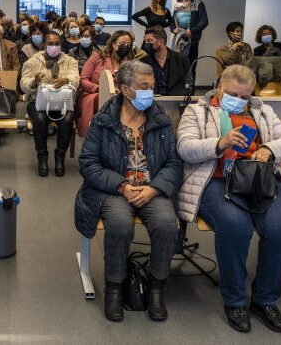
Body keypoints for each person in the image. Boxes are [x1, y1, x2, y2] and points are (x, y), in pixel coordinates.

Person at [176, 64, 281, 333]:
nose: (240, 101)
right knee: (235, 227)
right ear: (219, 87)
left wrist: (268, 149)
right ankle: (235, 301)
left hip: (258, 181)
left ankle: (265, 300)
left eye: (245, 96)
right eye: (233, 94)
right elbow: (185, 147)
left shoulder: (262, 111)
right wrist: (219, 143)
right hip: (216, 180)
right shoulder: (197, 111)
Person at [76, 60, 182, 322]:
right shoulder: (103, 121)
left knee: (167, 224)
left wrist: (155, 188)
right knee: (120, 225)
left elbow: (173, 163)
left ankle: (157, 288)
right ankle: (114, 287)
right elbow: (88, 163)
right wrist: (121, 186)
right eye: (143, 87)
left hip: (151, 188)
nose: (150, 92)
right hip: (114, 189)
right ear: (124, 89)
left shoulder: (160, 120)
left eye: (152, 87)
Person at [20, 31, 79, 177]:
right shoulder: (33, 61)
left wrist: (66, 80)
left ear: (61, 44)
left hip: (62, 102)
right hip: (37, 102)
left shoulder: (70, 61)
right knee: (39, 119)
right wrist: (34, 82)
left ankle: (60, 156)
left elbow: (76, 78)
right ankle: (42, 156)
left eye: (57, 43)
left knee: (67, 119)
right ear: (44, 45)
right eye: (50, 44)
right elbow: (23, 84)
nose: (54, 46)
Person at [172, 0, 209, 73]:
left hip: (192, 39)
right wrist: (173, 29)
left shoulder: (198, 3)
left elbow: (204, 21)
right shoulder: (177, 2)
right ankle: (180, 87)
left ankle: (190, 87)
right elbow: (173, 20)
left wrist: (192, 31)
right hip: (180, 39)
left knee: (191, 65)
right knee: (178, 65)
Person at [141, 26, 190, 95]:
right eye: (145, 41)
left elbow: (189, 84)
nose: (146, 44)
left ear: (161, 41)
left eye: (150, 40)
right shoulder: (143, 61)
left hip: (175, 101)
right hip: (152, 101)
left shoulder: (181, 59)